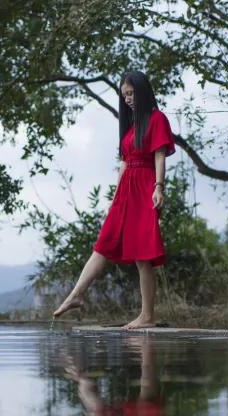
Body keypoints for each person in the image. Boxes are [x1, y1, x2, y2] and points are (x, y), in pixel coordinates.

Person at [52, 71, 176, 330]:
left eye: (131, 93)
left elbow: (159, 155)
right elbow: (124, 163)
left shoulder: (157, 119)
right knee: (103, 243)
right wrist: (115, 196)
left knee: (143, 255)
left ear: (142, 91)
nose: (127, 99)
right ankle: (76, 295)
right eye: (124, 95)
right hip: (126, 191)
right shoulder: (130, 127)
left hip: (144, 188)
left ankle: (147, 316)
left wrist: (159, 187)